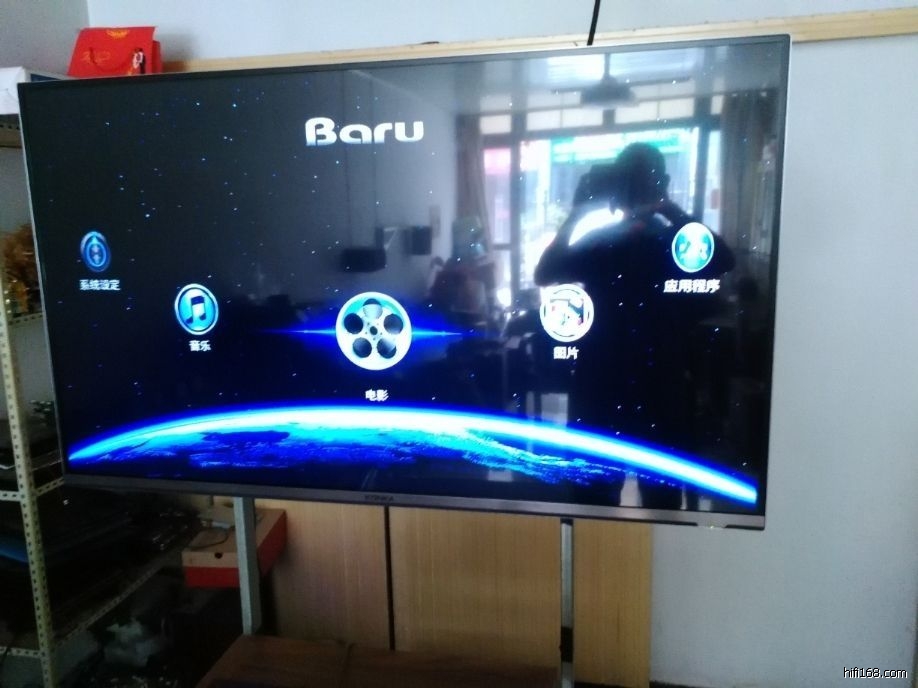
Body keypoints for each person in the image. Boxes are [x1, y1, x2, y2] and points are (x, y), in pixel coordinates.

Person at [535, 142, 734, 509]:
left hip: (614, 380)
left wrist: (577, 214)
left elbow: (722, 258)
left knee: (600, 500)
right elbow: (545, 274)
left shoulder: (619, 242)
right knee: (651, 501)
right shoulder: (659, 241)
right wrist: (668, 206)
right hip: (649, 380)